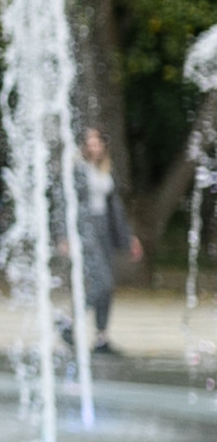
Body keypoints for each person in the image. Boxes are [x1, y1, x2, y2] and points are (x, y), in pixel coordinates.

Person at [79, 125, 143, 353]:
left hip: (104, 229)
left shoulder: (105, 171)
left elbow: (115, 210)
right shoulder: (78, 169)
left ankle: (101, 338)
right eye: (89, 142)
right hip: (85, 231)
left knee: (108, 287)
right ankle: (68, 321)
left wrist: (128, 238)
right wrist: (63, 237)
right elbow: (66, 206)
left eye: (97, 142)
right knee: (101, 282)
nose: (93, 146)